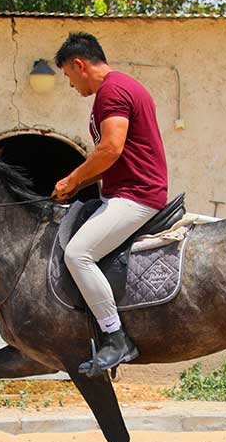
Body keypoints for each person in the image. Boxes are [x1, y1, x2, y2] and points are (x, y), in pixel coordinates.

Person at [52, 31, 169, 378]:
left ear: (79, 64)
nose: (71, 85)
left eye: (68, 76)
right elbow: (114, 157)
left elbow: (111, 148)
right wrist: (79, 185)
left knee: (78, 254)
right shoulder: (121, 87)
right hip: (124, 190)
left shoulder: (112, 92)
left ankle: (116, 337)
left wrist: (73, 179)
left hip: (136, 195)